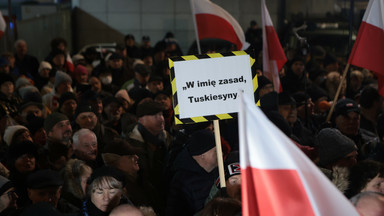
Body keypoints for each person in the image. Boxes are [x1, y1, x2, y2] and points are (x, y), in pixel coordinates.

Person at [166, 130, 218, 216]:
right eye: (215, 151)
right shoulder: (180, 182)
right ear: (202, 154)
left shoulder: (219, 173)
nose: (221, 154)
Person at [125, 99, 171, 192]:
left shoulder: (169, 139)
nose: (161, 119)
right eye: (155, 116)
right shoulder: (130, 144)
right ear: (141, 119)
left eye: (161, 114)